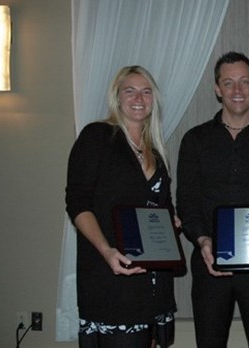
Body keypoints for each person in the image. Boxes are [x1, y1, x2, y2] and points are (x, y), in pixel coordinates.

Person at [176, 51, 249, 348]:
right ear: (217, 89)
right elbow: (186, 203)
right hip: (210, 264)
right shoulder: (195, 140)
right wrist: (202, 241)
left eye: (244, 82)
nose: (237, 91)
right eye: (228, 83)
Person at [65, 66, 178, 348]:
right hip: (112, 279)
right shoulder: (97, 137)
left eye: (146, 91)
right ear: (117, 97)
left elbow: (162, 206)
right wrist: (106, 250)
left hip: (154, 285)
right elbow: (77, 201)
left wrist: (170, 223)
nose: (139, 97)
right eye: (130, 90)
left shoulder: (155, 150)